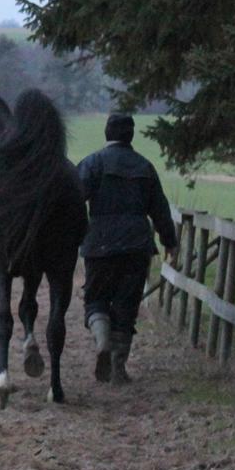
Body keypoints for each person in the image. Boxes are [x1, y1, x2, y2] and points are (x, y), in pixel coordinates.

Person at [78, 113, 178, 385]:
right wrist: (170, 242)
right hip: (136, 247)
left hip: (99, 244)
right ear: (131, 136)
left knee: (96, 299)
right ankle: (118, 369)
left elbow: (73, 201)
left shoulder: (93, 163)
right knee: (126, 306)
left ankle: (101, 342)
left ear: (107, 134)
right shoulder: (145, 167)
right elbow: (160, 209)